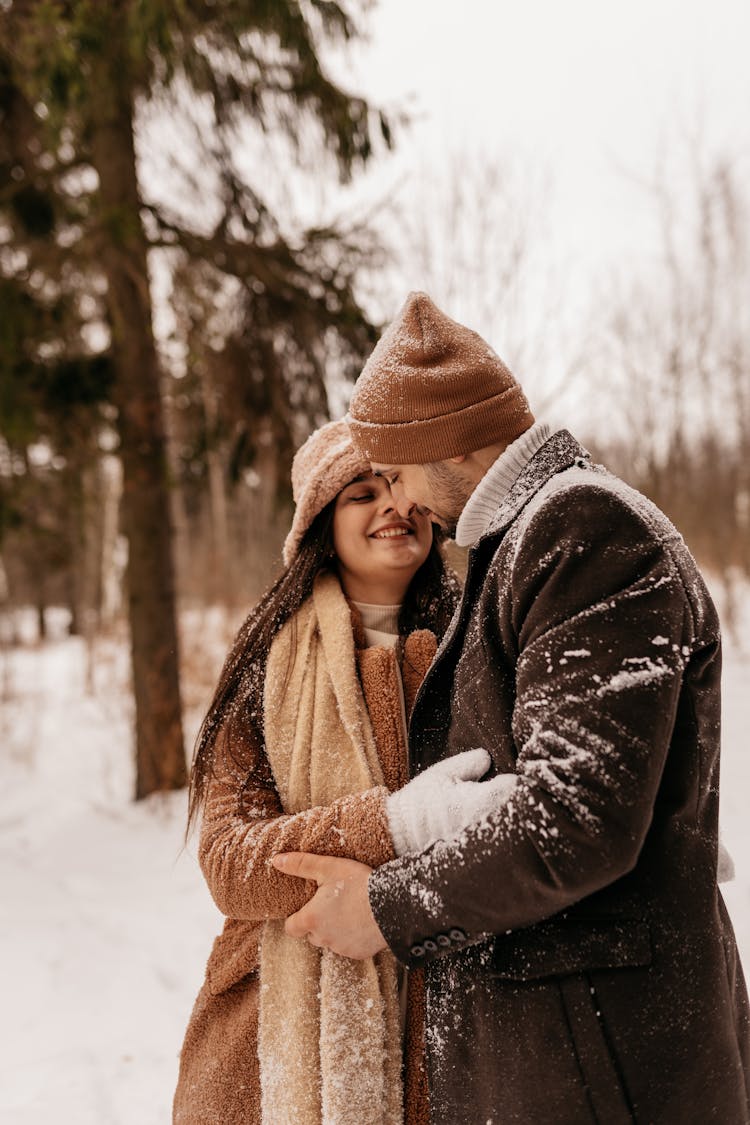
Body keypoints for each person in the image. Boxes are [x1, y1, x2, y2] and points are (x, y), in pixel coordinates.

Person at [272, 293, 750, 1123]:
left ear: (443, 442)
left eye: (398, 471)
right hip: (568, 1053)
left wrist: (387, 906)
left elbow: (575, 816)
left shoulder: (583, 528)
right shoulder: (520, 540)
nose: (404, 501)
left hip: (602, 1061)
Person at [173, 419, 514, 1125]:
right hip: (271, 1031)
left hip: (448, 1015)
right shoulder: (265, 662)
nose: (394, 505)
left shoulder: (480, 644)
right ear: (321, 523)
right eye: (363, 491)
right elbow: (231, 860)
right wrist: (393, 822)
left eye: (401, 484)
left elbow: (512, 820)